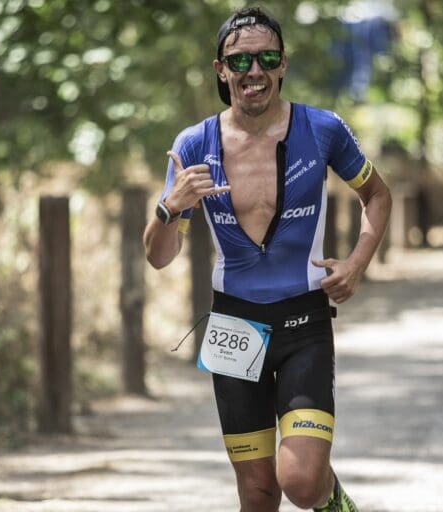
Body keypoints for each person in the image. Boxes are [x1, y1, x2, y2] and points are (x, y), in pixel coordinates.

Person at [143, 7, 391, 512]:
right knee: (257, 493)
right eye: (240, 61)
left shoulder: (322, 130)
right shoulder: (194, 145)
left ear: (282, 66)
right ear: (221, 69)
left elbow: (378, 197)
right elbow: (159, 257)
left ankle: (336, 501)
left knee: (299, 482)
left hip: (304, 322)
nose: (253, 71)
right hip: (234, 327)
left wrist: (357, 263)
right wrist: (171, 208)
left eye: (267, 58)